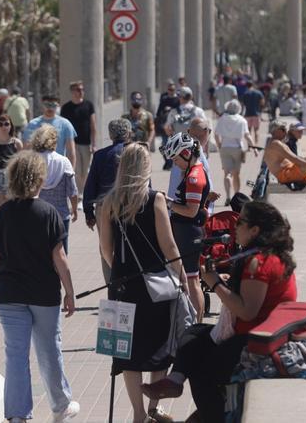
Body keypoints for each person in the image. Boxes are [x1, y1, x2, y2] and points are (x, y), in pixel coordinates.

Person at [142, 201, 298, 423]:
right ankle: (175, 381)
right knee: (193, 334)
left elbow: (247, 312)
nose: (235, 226)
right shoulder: (266, 255)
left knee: (202, 369)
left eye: (241, 222)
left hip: (259, 342)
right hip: (256, 335)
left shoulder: (260, 263)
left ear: (255, 230)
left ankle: (209, 416)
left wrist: (215, 284)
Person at [0, 152, 81, 422]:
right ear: (40, 179)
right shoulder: (48, 213)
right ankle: (60, 405)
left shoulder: (4, 211)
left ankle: (18, 415)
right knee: (49, 349)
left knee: (15, 355)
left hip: (9, 293)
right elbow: (59, 259)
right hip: (43, 293)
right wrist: (70, 293)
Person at [98, 144, 188, 423]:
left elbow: (105, 249)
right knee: (158, 348)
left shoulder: (108, 202)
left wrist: (122, 271)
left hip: (123, 287)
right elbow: (169, 245)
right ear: (145, 168)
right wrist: (182, 277)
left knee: (126, 352)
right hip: (154, 287)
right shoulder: (155, 199)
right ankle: (152, 409)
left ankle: (138, 412)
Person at [163, 133, 216, 322]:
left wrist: (167, 203)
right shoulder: (194, 171)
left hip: (189, 232)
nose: (175, 163)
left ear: (186, 153)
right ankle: (195, 321)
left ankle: (197, 322)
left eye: (176, 159)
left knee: (192, 280)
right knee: (192, 278)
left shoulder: (194, 177)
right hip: (187, 231)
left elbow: (191, 211)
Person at [262, 122, 306, 226]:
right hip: (285, 175)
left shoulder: (279, 142)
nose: (285, 131)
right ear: (276, 131)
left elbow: (295, 159)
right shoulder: (275, 144)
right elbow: (294, 159)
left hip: (291, 171)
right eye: (283, 129)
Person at [30, 126, 80, 253]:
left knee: (38, 252)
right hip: (61, 214)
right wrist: (74, 209)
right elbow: (72, 191)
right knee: (61, 251)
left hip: (36, 214)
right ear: (54, 141)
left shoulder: (31, 161)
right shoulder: (64, 162)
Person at [83, 119, 132, 230]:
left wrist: (89, 213)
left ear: (110, 135)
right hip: (132, 206)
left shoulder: (100, 155)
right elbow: (145, 183)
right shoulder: (138, 152)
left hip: (105, 207)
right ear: (129, 133)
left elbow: (91, 185)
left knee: (106, 246)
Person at [60, 81, 97, 194]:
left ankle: (83, 192)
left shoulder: (88, 105)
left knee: (85, 170)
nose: (81, 92)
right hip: (72, 144)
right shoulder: (66, 108)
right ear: (72, 92)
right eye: (78, 90)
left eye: (82, 89)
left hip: (86, 143)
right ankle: (79, 194)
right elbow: (63, 128)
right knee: (76, 169)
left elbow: (93, 125)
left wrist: (94, 144)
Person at [24, 95, 78, 166]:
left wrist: (71, 172)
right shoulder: (32, 124)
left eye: (53, 105)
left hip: (58, 166)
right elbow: (26, 149)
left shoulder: (65, 124)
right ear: (42, 105)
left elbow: (71, 152)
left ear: (58, 106)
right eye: (47, 105)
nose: (50, 108)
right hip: (37, 166)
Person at [215, 100, 253, 200]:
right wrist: (253, 147)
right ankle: (236, 195)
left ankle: (227, 196)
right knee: (236, 174)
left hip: (225, 147)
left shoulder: (222, 119)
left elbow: (216, 134)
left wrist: (219, 145)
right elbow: (247, 135)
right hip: (237, 147)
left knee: (226, 173)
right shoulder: (242, 120)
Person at [155, 83, 181, 168]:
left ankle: (172, 162)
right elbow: (158, 113)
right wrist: (164, 111)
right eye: (169, 90)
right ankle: (167, 161)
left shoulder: (178, 99)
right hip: (165, 126)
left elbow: (180, 112)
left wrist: (172, 110)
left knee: (175, 144)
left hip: (175, 126)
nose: (171, 91)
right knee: (164, 145)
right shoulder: (164, 99)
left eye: (172, 90)